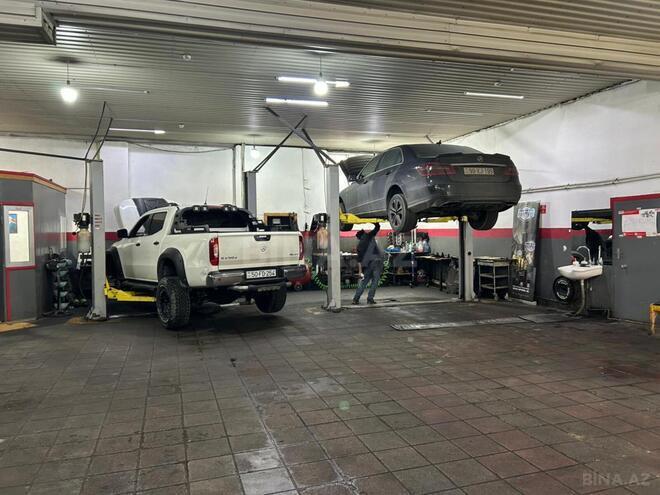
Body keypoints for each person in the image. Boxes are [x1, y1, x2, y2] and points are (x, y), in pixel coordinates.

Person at [352, 222, 383, 305]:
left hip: (368, 265)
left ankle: (355, 299)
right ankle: (370, 299)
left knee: (364, 282)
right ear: (364, 234)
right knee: (375, 282)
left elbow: (359, 260)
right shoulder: (369, 236)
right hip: (376, 262)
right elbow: (377, 228)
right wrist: (375, 222)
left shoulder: (359, 246)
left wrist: (360, 271)